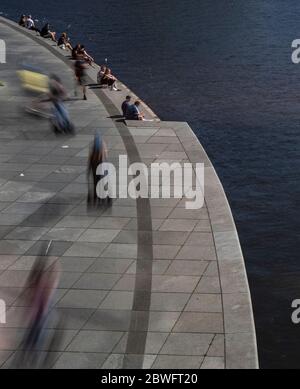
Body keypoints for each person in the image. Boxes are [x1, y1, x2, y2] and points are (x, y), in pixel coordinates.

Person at [87, 134, 111, 206]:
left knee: (98, 184)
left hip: (98, 170)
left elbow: (90, 163)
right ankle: (100, 197)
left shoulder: (96, 152)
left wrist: (88, 172)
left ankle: (99, 197)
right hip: (98, 170)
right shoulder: (101, 149)